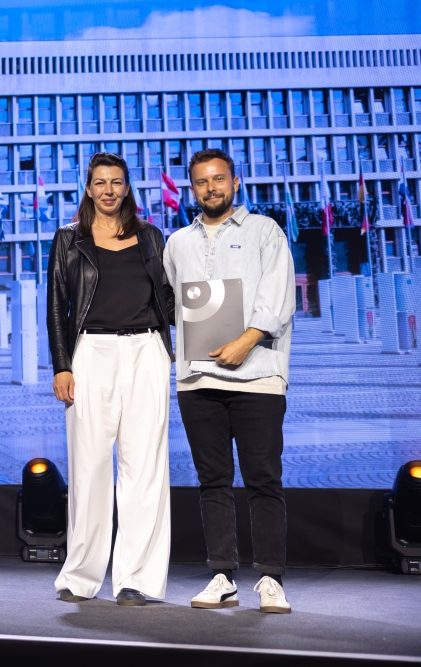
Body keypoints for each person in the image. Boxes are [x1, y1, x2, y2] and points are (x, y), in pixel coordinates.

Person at [163, 148, 295, 614]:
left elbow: (278, 297)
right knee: (212, 481)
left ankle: (271, 578)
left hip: (257, 375)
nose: (211, 188)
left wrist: (246, 341)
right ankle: (222, 576)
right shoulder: (177, 242)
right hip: (198, 380)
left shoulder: (264, 230)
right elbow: (173, 302)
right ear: (192, 189)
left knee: (263, 479)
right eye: (202, 181)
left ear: (235, 183)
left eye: (219, 179)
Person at [47, 152, 175, 606]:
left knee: (145, 468)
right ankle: (80, 576)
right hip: (91, 353)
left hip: (146, 350)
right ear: (88, 188)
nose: (108, 190)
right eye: (99, 182)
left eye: (116, 182)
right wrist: (62, 365)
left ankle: (136, 579)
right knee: (89, 467)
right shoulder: (68, 239)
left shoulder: (152, 236)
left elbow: (169, 298)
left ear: (127, 187)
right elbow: (56, 306)